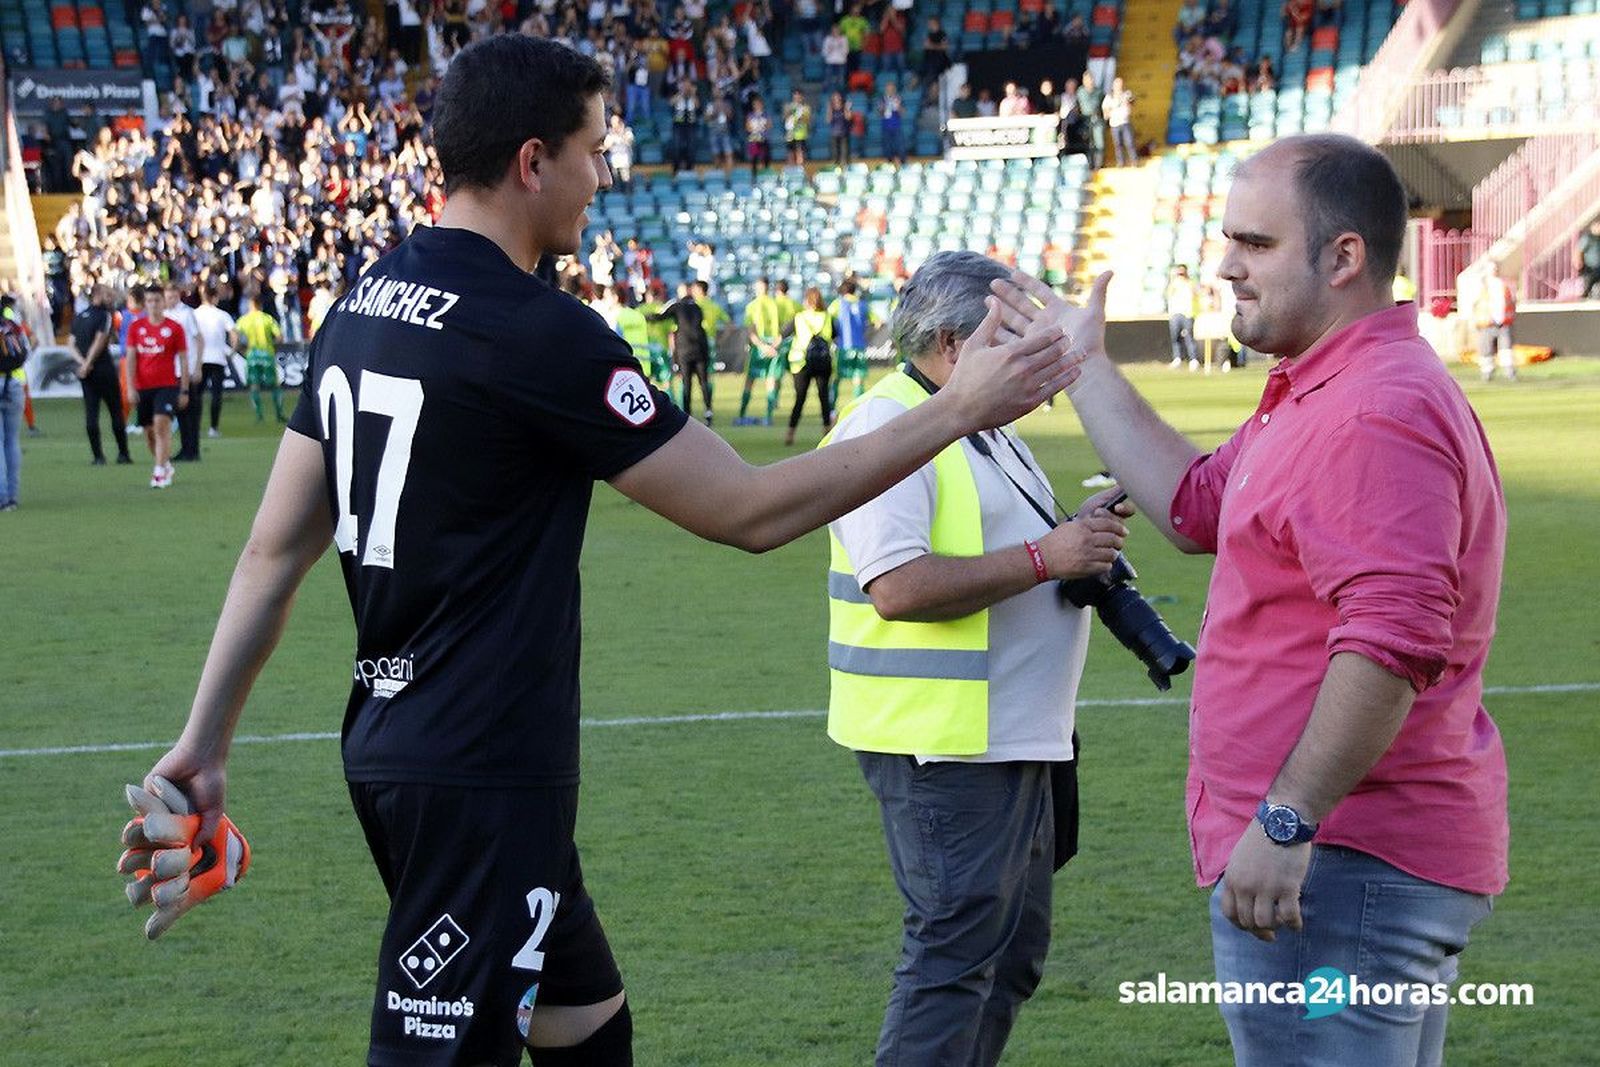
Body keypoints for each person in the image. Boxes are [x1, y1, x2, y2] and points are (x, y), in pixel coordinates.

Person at [131, 34, 1076, 1067]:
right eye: (592, 150)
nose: (601, 177)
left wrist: (206, 738)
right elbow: (747, 509)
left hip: (404, 743)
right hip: (480, 770)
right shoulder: (540, 333)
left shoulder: (361, 303)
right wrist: (958, 409)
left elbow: (273, 549)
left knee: (586, 1027)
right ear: (533, 161)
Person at [992, 133, 1508, 1066]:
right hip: (1334, 866)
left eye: (1255, 244)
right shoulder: (1319, 386)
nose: (1225, 266)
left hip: (1339, 870)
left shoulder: (1375, 407)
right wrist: (1082, 364)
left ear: (1344, 256)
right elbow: (1196, 507)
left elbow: (1389, 641)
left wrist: (1286, 819)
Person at [823, 250, 1131, 1067]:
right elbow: (897, 585)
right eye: (1018, 337)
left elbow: (1024, 543)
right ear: (958, 345)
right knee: (955, 960)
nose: (1039, 357)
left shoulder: (984, 430)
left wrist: (1077, 536)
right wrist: (1046, 558)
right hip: (947, 743)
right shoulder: (887, 428)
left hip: (1013, 733)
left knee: (1011, 957)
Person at [125, 287, 191, 490]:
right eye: (149, 301)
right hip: (144, 387)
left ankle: (159, 472)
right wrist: (130, 386)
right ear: (145, 304)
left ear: (163, 303)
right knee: (149, 433)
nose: (153, 305)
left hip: (167, 386)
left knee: (161, 424)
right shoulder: (136, 328)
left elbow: (183, 359)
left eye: (156, 300)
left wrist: (184, 389)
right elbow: (131, 358)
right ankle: (164, 463)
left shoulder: (174, 328)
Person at [73, 283, 132, 466]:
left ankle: (98, 456)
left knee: (91, 413)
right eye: (108, 295)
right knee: (116, 411)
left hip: (86, 373)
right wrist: (89, 362)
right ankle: (123, 453)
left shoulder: (80, 316)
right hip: (102, 369)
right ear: (97, 294)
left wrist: (82, 364)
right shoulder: (105, 315)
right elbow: (100, 340)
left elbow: (70, 343)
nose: (111, 299)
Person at [650, 282, 714, 424]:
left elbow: (660, 317)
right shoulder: (697, 307)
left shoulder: (677, 306)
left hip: (684, 350)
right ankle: (708, 411)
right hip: (700, 349)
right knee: (703, 381)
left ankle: (688, 414)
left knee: (686, 383)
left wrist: (646, 317)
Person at [783, 285, 834, 445]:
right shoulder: (827, 317)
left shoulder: (800, 317)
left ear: (807, 300)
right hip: (823, 361)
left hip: (801, 362)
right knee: (824, 398)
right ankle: (827, 434)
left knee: (800, 399)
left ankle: (790, 434)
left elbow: (783, 334)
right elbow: (834, 335)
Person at [165, 283, 208, 462]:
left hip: (187, 368)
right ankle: (185, 448)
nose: (170, 300)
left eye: (173, 296)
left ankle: (193, 449)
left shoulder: (186, 314)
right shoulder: (164, 314)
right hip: (172, 370)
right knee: (180, 410)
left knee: (191, 409)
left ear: (178, 296)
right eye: (168, 297)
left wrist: (198, 366)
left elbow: (199, 339)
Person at [737, 275, 784, 426]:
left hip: (759, 346)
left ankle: (742, 415)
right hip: (774, 345)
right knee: (770, 380)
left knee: (750, 380)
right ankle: (768, 417)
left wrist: (762, 346)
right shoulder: (777, 304)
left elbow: (751, 330)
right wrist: (773, 346)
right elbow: (784, 329)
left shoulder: (752, 306)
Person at [193, 286, 239, 439]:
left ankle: (196, 426)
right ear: (215, 298)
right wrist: (232, 351)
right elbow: (234, 334)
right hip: (218, 358)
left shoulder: (194, 314)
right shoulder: (222, 315)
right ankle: (213, 428)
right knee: (216, 394)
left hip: (200, 359)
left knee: (197, 395)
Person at [236, 300, 285, 421]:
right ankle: (279, 414)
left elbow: (235, 335)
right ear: (260, 305)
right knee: (275, 385)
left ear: (251, 305)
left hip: (252, 355)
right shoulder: (267, 318)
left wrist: (240, 348)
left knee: (254, 385)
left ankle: (259, 415)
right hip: (267, 354)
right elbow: (279, 337)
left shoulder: (244, 319)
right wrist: (272, 345)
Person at [828, 278, 873, 405]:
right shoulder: (863, 304)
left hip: (843, 346)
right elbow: (877, 322)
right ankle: (858, 408)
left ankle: (831, 409)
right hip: (859, 346)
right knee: (858, 378)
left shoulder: (837, 303)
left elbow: (828, 319)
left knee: (836, 378)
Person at [1472, 269, 1517, 382]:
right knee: (1486, 350)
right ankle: (1487, 372)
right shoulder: (1481, 286)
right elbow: (1476, 305)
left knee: (1506, 348)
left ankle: (1509, 372)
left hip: (1503, 322)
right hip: (1486, 323)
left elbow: (1511, 301)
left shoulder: (1503, 285)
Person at [1166, 265, 1200, 370]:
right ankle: (1177, 358)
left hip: (1187, 313)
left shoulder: (1190, 284)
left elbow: (1196, 294)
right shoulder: (1173, 284)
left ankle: (1193, 359)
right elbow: (1168, 294)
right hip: (1175, 313)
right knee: (1175, 337)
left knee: (1189, 337)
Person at [1103, 77, 1136, 167]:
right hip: (1114, 123)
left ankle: (1134, 161)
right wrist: (1110, 111)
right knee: (1118, 144)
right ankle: (1121, 162)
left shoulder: (1127, 94)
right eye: (1117, 85)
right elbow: (1105, 111)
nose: (1119, 86)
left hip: (1125, 122)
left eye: (1120, 84)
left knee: (1129, 142)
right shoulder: (1109, 97)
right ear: (1113, 86)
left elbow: (1133, 102)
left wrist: (1128, 103)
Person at [1577, 216, 1600, 299]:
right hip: (1590, 267)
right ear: (1592, 227)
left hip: (1598, 267)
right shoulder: (1588, 238)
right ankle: (1585, 296)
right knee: (1589, 283)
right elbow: (1579, 251)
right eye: (1597, 226)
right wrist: (1579, 262)